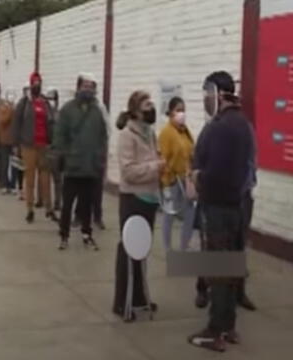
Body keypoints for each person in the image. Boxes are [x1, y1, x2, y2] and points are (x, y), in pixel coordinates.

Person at [187, 71, 255, 352]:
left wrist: (196, 177)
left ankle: (215, 331)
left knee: (218, 271)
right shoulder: (243, 125)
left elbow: (212, 174)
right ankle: (229, 327)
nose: (204, 99)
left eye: (206, 93)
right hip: (237, 208)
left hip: (216, 208)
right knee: (230, 268)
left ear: (217, 93)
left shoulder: (218, 128)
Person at [112, 90, 163, 321]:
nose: (150, 107)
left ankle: (140, 297)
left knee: (142, 250)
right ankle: (122, 302)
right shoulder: (127, 135)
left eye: (151, 103)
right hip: (133, 199)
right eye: (145, 104)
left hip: (150, 199)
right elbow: (129, 172)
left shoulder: (151, 133)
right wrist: (155, 167)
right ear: (135, 110)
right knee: (128, 250)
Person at [56, 75, 109, 251]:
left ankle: (87, 234)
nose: (88, 89)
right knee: (67, 204)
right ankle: (64, 235)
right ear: (78, 88)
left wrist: (100, 156)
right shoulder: (67, 110)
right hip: (73, 167)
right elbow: (59, 136)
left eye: (91, 87)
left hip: (90, 167)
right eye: (85, 86)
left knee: (87, 204)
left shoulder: (97, 111)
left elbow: (103, 135)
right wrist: (65, 156)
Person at [12, 72, 57, 224]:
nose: (36, 85)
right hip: (28, 145)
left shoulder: (45, 103)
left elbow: (52, 122)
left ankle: (48, 208)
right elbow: (16, 123)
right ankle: (30, 209)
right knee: (29, 178)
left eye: (39, 83)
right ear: (30, 85)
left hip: (44, 145)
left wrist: (53, 141)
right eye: (34, 83)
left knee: (45, 177)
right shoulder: (24, 103)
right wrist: (16, 144)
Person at [158, 97, 196, 251]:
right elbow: (162, 158)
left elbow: (191, 151)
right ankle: (168, 248)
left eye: (183, 110)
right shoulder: (166, 133)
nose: (182, 113)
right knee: (169, 215)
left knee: (190, 214)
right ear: (171, 112)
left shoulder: (185, 131)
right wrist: (168, 178)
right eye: (178, 110)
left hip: (186, 179)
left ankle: (184, 246)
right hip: (172, 181)